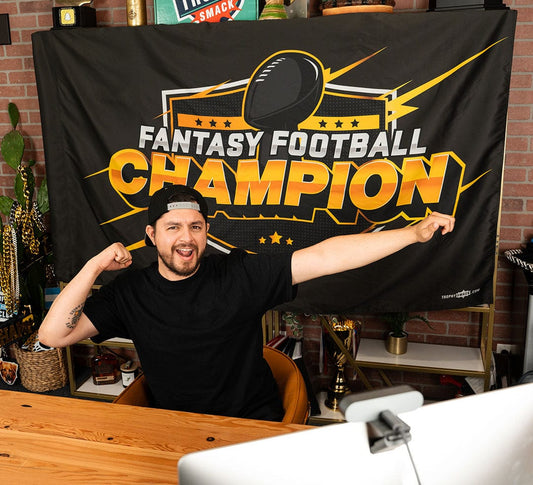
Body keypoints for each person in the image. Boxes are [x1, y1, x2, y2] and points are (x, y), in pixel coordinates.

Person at [39, 184, 455, 421]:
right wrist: (94, 266)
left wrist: (412, 234)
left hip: (251, 423)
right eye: (173, 227)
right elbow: (53, 335)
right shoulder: (130, 292)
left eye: (196, 226)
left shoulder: (238, 273)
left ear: (206, 231)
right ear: (151, 235)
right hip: (176, 428)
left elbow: (326, 256)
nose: (186, 238)